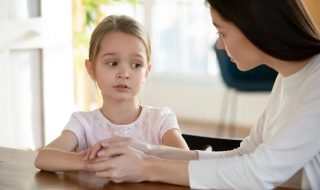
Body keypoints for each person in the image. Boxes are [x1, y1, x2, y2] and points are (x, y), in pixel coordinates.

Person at [83, 0, 320, 189]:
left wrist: (147, 166)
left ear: (254, 26)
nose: (219, 45)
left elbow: (257, 173)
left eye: (222, 32)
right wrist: (148, 150)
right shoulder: (289, 77)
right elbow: (246, 153)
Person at [34, 15, 189, 172]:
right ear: (91, 69)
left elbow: (188, 162)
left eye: (136, 65)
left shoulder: (160, 120)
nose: (124, 73)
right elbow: (43, 157)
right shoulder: (83, 124)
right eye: (112, 63)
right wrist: (91, 163)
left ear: (146, 72)